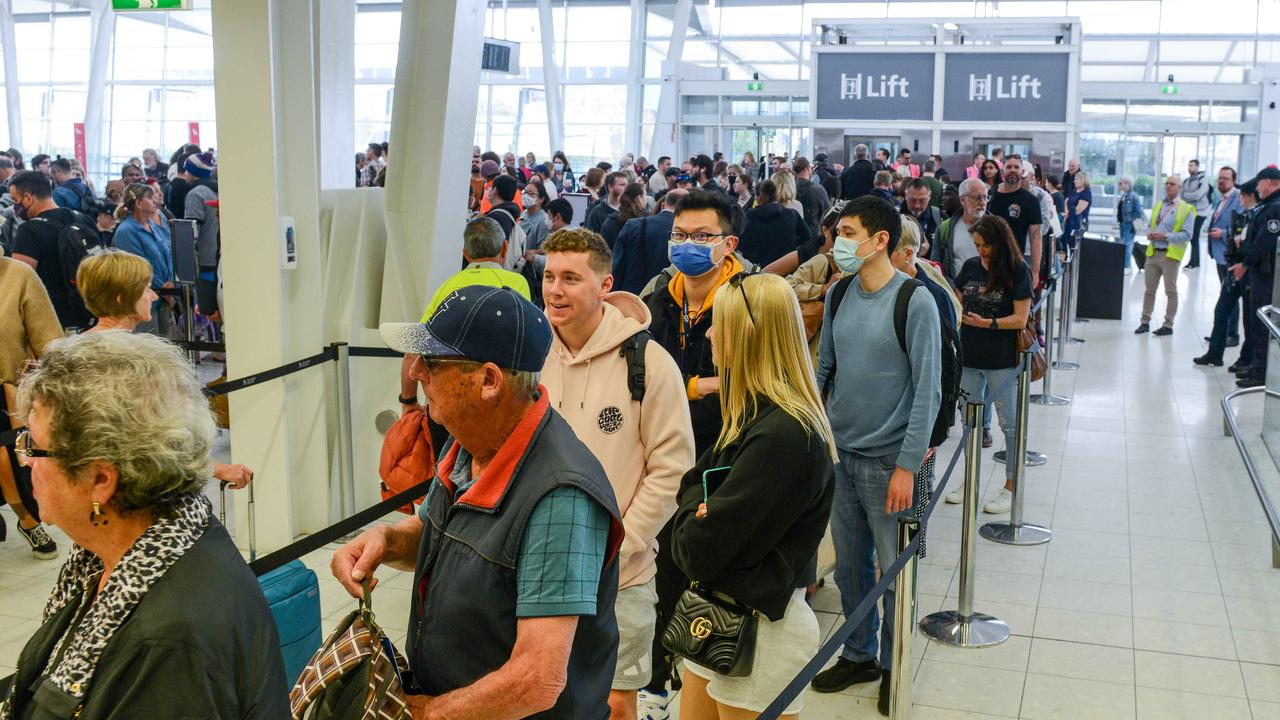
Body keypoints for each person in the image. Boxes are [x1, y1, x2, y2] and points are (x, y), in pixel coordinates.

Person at [339, 286, 624, 719]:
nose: (415, 371)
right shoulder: (467, 446)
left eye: (432, 361)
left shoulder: (560, 496)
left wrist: (429, 714)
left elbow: (537, 679)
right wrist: (386, 541)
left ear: (489, 380)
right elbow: (447, 535)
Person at [3, 331, 289, 718]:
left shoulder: (165, 642)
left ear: (101, 480)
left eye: (33, 447)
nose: (25, 461)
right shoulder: (157, 541)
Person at [540, 229, 695, 720]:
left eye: (570, 278)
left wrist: (621, 545)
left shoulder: (648, 362)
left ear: (605, 284)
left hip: (621, 577)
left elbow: (671, 470)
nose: (555, 290)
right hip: (538, 573)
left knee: (616, 703)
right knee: (542, 693)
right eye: (548, 276)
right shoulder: (531, 355)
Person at [671, 273, 835, 720]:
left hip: (764, 630)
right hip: (722, 616)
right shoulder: (751, 414)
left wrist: (698, 514)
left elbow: (698, 548)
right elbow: (691, 483)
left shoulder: (784, 434)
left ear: (746, 331)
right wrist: (698, 509)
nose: (707, 332)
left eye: (717, 322)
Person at [810, 196, 940, 716]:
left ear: (879, 239)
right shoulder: (840, 295)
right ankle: (859, 652)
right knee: (850, 570)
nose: (838, 241)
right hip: (842, 454)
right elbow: (823, 371)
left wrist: (908, 465)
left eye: (846, 231)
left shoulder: (915, 300)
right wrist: (816, 436)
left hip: (891, 462)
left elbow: (928, 390)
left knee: (893, 571)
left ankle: (894, 662)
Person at [398, 217, 531, 421]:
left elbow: (413, 349)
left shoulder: (448, 286)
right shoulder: (517, 284)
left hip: (448, 399)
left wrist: (408, 402)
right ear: (504, 248)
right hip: (498, 402)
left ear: (466, 253)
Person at [943, 215, 1032, 512]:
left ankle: (1011, 484)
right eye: (977, 245)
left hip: (1002, 361)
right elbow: (956, 302)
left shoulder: (1018, 271)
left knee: (1010, 424)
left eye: (986, 245)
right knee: (971, 425)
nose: (980, 251)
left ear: (1000, 244)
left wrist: (989, 322)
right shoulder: (969, 268)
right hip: (969, 358)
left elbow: (1020, 319)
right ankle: (970, 480)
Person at [0, 253, 62, 559]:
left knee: (7, 468)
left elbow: (51, 343)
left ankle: (27, 519)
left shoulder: (17, 275)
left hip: (7, 391)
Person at [9, 171, 95, 331]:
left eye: (16, 200)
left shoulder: (30, 230)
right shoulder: (82, 218)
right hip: (91, 312)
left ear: (28, 198)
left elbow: (19, 280)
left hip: (53, 320)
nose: (15, 206)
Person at [1197, 176, 1252, 369]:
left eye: (1243, 196)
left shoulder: (1258, 215)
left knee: (1249, 317)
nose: (1240, 200)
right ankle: (1214, 354)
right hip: (1233, 266)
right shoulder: (1245, 215)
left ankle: (1247, 360)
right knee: (1221, 309)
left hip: (1248, 271)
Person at [1234, 167, 1280, 388]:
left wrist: (1246, 263)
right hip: (1261, 272)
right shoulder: (1269, 206)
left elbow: (1264, 241)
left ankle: (1261, 373)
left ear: (1269, 182)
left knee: (1262, 322)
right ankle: (1256, 367)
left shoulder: (1275, 207)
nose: (1257, 188)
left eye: (1259, 183)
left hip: (1265, 274)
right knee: (1255, 321)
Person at [112, 183, 175, 336]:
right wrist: (164, 290)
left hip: (165, 296)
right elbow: (139, 267)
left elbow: (169, 255)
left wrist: (172, 281)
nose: (155, 201)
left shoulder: (153, 226)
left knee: (166, 347)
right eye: (150, 198)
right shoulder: (126, 231)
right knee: (149, 348)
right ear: (139, 203)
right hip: (144, 299)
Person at [1136, 176, 1195, 337]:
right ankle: (1144, 321)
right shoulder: (1159, 205)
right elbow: (1151, 226)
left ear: (1179, 188)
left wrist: (1166, 236)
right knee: (1149, 290)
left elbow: (1188, 234)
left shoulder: (1185, 208)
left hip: (1170, 255)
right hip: (1153, 252)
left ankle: (1168, 324)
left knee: (1171, 291)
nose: (1168, 186)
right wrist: (1150, 234)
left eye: (1172, 184)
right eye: (1167, 183)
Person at [612, 188, 684, 296]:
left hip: (631, 298)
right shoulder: (687, 234)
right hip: (667, 297)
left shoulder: (634, 225)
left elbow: (617, 267)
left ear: (663, 205)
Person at [987, 155, 1043, 289]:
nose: (1013, 170)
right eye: (1009, 167)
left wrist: (1035, 271)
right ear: (1002, 171)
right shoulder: (991, 194)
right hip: (988, 260)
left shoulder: (1030, 201)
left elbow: (1036, 236)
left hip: (1015, 263)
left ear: (1022, 172)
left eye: (1016, 167)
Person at [739, 179, 811, 268]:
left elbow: (739, 245)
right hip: (785, 271)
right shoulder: (792, 216)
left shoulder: (746, 219)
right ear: (776, 196)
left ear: (757, 197)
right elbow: (809, 239)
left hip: (754, 272)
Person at [934, 178, 989, 284]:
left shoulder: (997, 228)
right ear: (962, 200)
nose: (983, 203)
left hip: (989, 294)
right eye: (977, 198)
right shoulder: (945, 229)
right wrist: (953, 289)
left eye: (985, 197)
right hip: (955, 294)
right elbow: (935, 267)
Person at [1182, 159, 1213, 269]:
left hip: (1200, 212)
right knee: (1192, 237)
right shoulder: (1186, 181)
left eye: (1192, 166)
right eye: (1188, 165)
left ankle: (1195, 262)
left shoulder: (1203, 179)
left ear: (1197, 167)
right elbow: (1182, 195)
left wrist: (1187, 195)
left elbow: (1198, 195)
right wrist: (1189, 195)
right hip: (1190, 212)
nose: (1189, 168)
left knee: (1194, 236)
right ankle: (1194, 261)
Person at [601, 182, 649, 250]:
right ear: (639, 198)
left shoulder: (610, 220)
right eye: (645, 195)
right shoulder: (646, 220)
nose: (646, 199)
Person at [793, 157, 831, 236]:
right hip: (813, 234)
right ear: (807, 168)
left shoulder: (790, 189)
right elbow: (828, 213)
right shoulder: (818, 189)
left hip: (793, 233)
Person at [901, 178, 941, 247]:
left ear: (929, 196)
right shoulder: (894, 217)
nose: (917, 206)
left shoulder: (940, 217)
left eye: (922, 200)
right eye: (913, 200)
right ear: (905, 195)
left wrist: (929, 251)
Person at [1116, 176, 1144, 272]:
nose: (1119, 185)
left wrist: (1130, 220)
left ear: (1127, 184)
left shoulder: (1133, 196)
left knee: (1128, 245)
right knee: (1124, 244)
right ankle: (1125, 265)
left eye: (1121, 183)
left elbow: (1139, 211)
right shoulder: (1124, 196)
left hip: (1129, 225)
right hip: (1122, 224)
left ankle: (1127, 266)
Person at [1064, 169, 1092, 249]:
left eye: (1077, 179)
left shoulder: (1086, 193)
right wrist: (1067, 211)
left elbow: (1077, 210)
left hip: (1078, 223)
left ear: (1083, 180)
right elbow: (1066, 202)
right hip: (1069, 221)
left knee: (1076, 247)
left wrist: (1068, 209)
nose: (1074, 181)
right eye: (1074, 179)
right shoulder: (1074, 191)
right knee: (1069, 245)